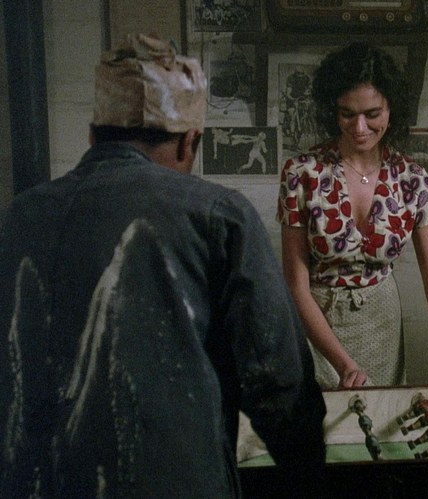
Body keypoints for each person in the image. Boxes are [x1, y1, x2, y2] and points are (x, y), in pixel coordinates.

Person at [0, 34, 326, 498]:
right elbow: (278, 382)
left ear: (93, 136)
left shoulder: (19, 216)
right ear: (190, 142)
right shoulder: (220, 216)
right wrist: (307, 474)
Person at [277, 42, 428, 389]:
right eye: (347, 114)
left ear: (392, 109)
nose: (360, 127)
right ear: (332, 110)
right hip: (315, 326)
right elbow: (295, 285)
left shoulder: (412, 179)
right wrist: (344, 365)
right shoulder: (301, 173)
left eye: (372, 114)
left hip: (382, 327)